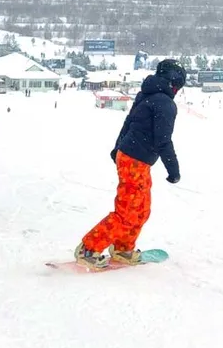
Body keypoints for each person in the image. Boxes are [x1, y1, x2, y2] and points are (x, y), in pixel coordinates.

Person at [75, 59, 185, 269]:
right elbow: (163, 140)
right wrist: (174, 170)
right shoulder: (164, 103)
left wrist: (118, 148)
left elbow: (129, 123)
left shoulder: (147, 95)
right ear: (175, 83)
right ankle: (88, 249)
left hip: (134, 159)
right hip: (134, 161)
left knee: (141, 210)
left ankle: (123, 248)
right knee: (128, 211)